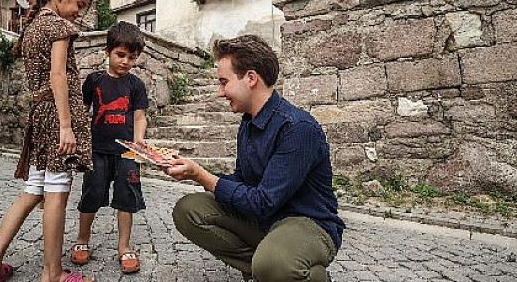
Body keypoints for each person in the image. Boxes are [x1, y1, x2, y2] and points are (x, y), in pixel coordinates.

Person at [163, 35, 345, 282]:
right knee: (189, 210)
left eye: (224, 82)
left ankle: (287, 268)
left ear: (251, 78)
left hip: (307, 221)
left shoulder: (298, 128)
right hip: (266, 219)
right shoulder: (249, 122)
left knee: (274, 263)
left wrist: (201, 175)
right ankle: (266, 269)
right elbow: (243, 180)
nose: (220, 92)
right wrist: (191, 170)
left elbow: (262, 201)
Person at [0, 0, 96, 282]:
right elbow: (58, 77)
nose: (80, 13)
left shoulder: (33, 27)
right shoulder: (59, 26)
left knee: (32, 190)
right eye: (79, 5)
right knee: (56, 191)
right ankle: (52, 274)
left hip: (40, 115)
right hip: (56, 116)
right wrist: (67, 127)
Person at [71, 21, 148, 274]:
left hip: (126, 151)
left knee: (126, 197)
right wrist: (79, 139)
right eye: (121, 55)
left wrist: (138, 143)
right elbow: (82, 112)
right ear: (108, 51)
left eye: (132, 57)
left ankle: (124, 246)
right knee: (91, 193)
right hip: (97, 150)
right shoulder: (94, 81)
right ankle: (82, 239)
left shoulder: (136, 85)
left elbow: (139, 117)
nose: (126, 61)